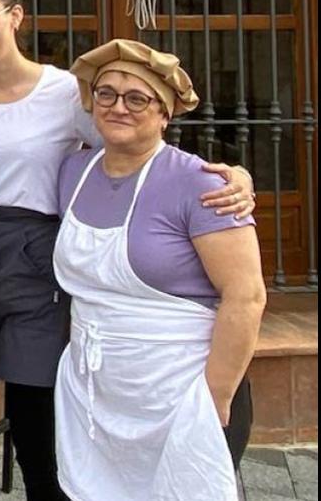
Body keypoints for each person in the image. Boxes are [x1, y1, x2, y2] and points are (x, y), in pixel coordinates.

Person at [0, 0, 257, 501]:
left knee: (40, 424)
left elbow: (135, 146)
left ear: (16, 16)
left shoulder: (64, 94)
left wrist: (235, 175)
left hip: (37, 266)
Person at [54, 39, 265, 500]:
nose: (118, 107)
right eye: (106, 94)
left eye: (137, 98)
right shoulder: (73, 171)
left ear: (165, 113)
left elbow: (246, 296)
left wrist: (216, 395)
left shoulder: (202, 184)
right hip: (97, 393)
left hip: (181, 391)